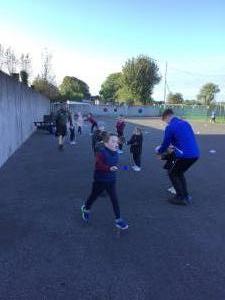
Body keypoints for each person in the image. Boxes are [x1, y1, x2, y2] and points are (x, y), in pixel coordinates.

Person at [81, 133, 128, 230]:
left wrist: (117, 168)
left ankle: (118, 220)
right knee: (93, 196)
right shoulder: (101, 153)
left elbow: (114, 165)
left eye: (117, 141)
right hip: (100, 180)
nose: (116, 144)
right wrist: (109, 168)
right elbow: (98, 166)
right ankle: (86, 209)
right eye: (113, 141)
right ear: (106, 143)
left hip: (111, 180)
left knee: (114, 199)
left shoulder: (115, 152)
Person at [156, 109, 200, 205]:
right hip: (195, 154)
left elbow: (165, 144)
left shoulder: (170, 127)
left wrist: (159, 152)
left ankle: (180, 197)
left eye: (164, 120)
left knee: (173, 173)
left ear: (167, 117)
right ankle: (186, 195)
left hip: (184, 155)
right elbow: (185, 138)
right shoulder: (185, 123)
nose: (165, 123)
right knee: (179, 173)